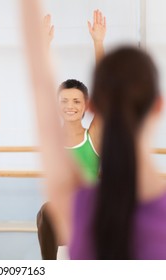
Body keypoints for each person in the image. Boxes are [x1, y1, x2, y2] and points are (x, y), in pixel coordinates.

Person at [22, 0, 166, 259]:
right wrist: (98, 43)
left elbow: (41, 93)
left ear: (92, 105)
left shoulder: (80, 206)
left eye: (77, 101)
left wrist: (40, 43)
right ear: (159, 106)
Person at [36, 10, 106, 260]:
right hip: (64, 221)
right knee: (45, 212)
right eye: (64, 101)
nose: (70, 106)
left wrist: (98, 42)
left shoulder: (93, 136)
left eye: (77, 101)